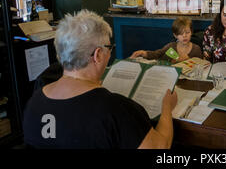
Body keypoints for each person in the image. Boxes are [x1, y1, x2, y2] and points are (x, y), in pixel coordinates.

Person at [23, 10, 177, 149]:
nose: (109, 53)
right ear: (97, 55)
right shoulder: (116, 109)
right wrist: (166, 108)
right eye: (109, 48)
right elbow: (160, 146)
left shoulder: (34, 101)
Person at [130, 17, 202, 62]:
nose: (184, 36)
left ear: (191, 32)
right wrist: (143, 53)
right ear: (175, 35)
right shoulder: (171, 46)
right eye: (180, 34)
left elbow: (202, 66)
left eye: (187, 32)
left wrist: (188, 60)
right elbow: (157, 54)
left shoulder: (196, 49)